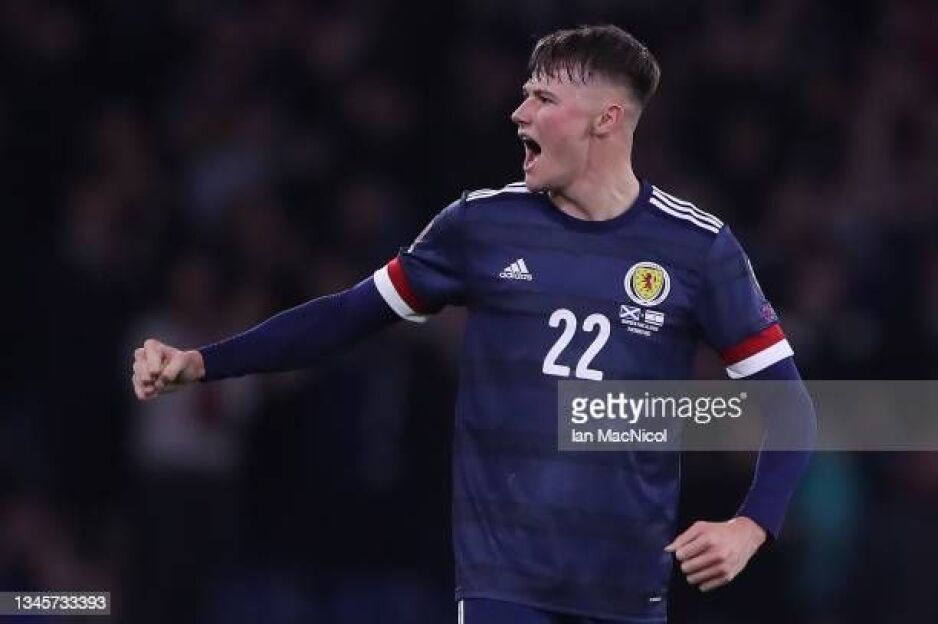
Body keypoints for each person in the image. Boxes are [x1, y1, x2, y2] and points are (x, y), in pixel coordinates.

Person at [131, 24, 816, 624]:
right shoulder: (479, 226)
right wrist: (203, 361)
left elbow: (793, 408)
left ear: (605, 120)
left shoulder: (698, 248)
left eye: (543, 98)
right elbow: (346, 315)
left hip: (627, 589)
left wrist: (751, 525)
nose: (519, 112)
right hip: (503, 585)